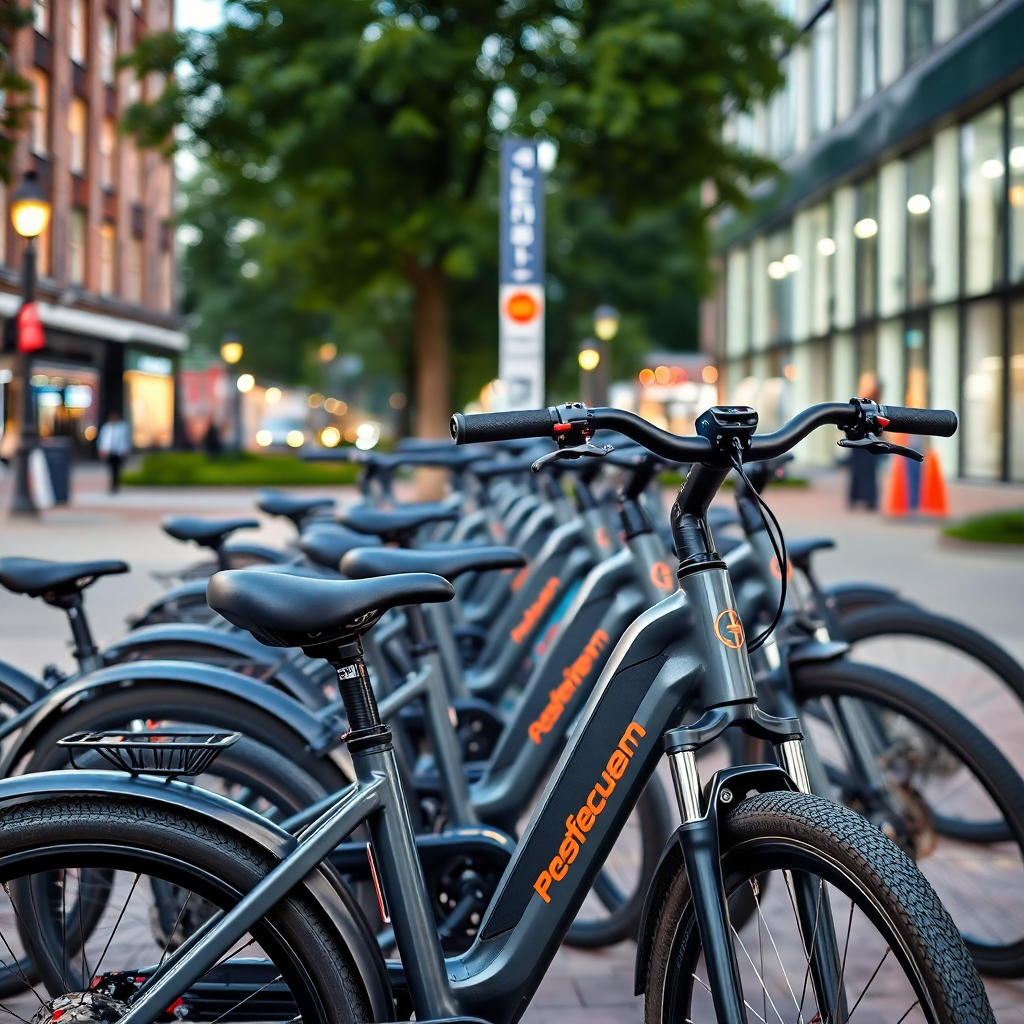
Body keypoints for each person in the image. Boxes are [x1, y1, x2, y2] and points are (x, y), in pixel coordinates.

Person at [97, 411, 131, 493]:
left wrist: (126, 450)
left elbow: (126, 440)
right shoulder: (106, 428)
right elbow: (102, 440)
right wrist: (101, 449)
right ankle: (112, 485)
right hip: (109, 451)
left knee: (117, 469)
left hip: (119, 451)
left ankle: (116, 484)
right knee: (111, 469)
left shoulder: (122, 428)